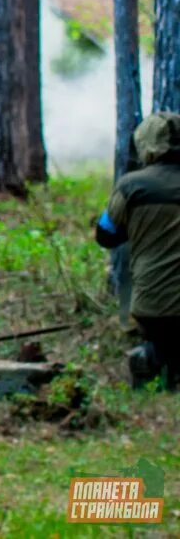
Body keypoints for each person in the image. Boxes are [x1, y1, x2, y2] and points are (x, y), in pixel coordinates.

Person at [94, 112, 180, 391]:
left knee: (162, 339)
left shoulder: (131, 186)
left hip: (152, 308)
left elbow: (105, 236)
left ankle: (154, 367)